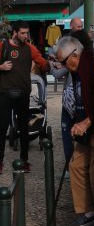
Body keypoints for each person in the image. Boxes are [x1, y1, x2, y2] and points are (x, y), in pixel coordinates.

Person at [56, 36, 94, 226]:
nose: (63, 66)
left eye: (63, 61)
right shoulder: (76, 71)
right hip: (83, 127)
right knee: (75, 165)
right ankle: (87, 212)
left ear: (75, 55)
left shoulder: (91, 65)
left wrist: (87, 121)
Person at [0, 21, 50, 174]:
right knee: (1, 129)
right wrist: (0, 67)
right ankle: (0, 162)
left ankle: (24, 160)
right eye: (22, 33)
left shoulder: (29, 48)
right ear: (14, 33)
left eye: (27, 33)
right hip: (4, 93)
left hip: (23, 94)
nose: (26, 36)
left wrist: (50, 64)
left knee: (24, 128)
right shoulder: (3, 46)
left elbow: (42, 62)